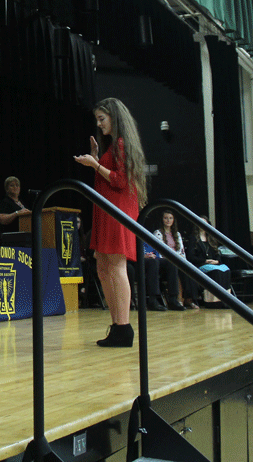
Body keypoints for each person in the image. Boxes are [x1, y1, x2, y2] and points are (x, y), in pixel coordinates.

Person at [74, 97, 147, 347]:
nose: (99, 123)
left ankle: (124, 326)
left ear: (114, 117)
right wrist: (97, 161)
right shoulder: (112, 146)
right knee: (103, 266)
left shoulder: (122, 143)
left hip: (118, 212)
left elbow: (120, 181)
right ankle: (117, 326)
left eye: (102, 118)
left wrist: (95, 164)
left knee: (116, 266)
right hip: (106, 211)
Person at [187, 216, 231, 307]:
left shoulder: (211, 237)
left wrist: (217, 261)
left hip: (214, 264)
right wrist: (205, 261)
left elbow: (217, 253)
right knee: (216, 272)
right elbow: (191, 257)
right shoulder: (193, 238)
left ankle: (226, 299)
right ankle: (213, 301)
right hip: (201, 264)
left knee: (226, 270)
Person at [147, 210, 187, 311]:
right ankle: (169, 299)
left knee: (184, 266)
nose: (168, 220)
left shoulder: (177, 234)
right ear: (162, 219)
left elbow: (181, 251)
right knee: (171, 263)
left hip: (176, 259)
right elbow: (158, 251)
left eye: (170, 218)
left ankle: (178, 299)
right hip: (162, 259)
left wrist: (179, 258)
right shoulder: (158, 233)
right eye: (166, 218)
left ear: (173, 220)